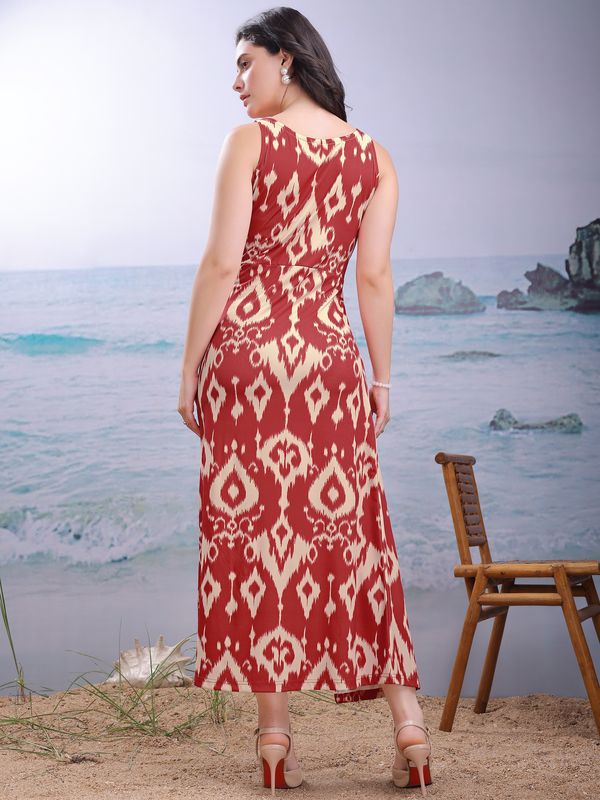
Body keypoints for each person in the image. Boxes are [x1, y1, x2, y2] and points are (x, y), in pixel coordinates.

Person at [178, 6, 432, 796]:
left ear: (285, 60)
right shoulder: (374, 157)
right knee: (357, 535)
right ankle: (409, 727)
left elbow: (222, 264)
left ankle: (274, 739)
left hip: (248, 361)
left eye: (245, 62)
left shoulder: (250, 142)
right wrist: (381, 382)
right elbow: (375, 279)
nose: (236, 81)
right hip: (329, 365)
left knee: (259, 541)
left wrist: (188, 368)